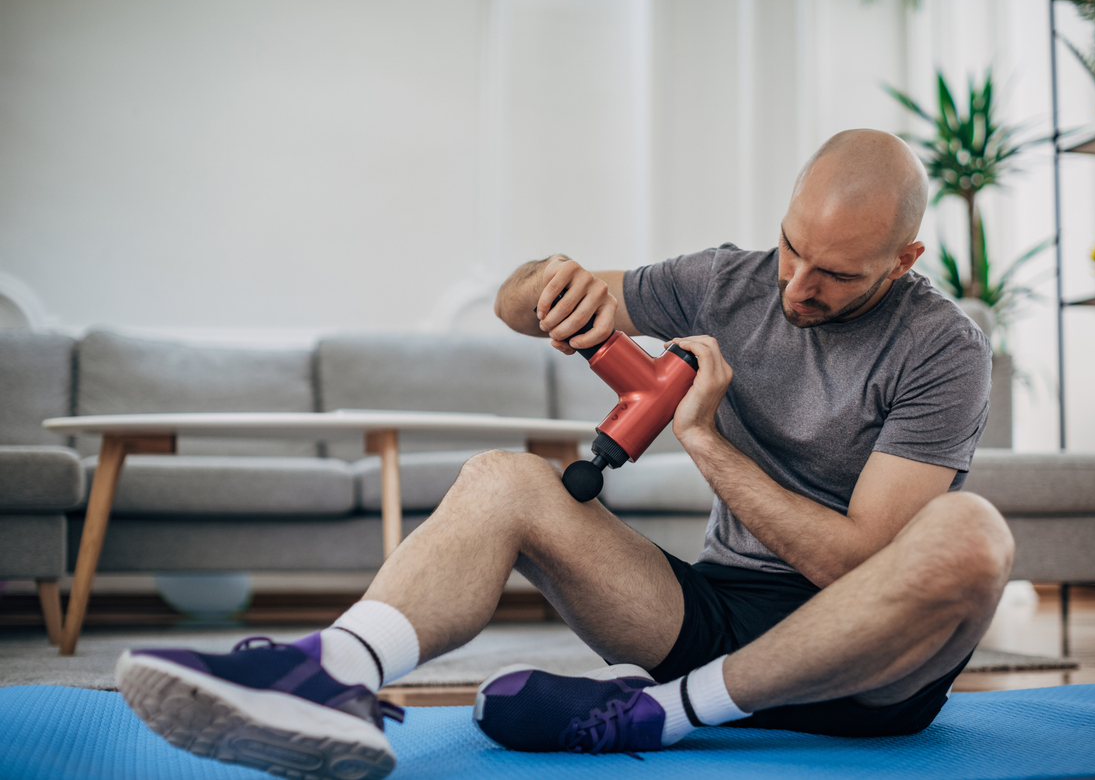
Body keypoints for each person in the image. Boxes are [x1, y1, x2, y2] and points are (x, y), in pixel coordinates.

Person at [116, 128, 1012, 779]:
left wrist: (700, 436)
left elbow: (855, 561)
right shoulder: (728, 281)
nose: (796, 287)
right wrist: (554, 283)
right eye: (791, 249)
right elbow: (516, 304)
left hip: (870, 667)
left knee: (973, 536)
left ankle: (656, 719)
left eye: (837, 275)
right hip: (710, 618)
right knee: (504, 479)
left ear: (903, 260)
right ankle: (335, 670)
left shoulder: (943, 349)